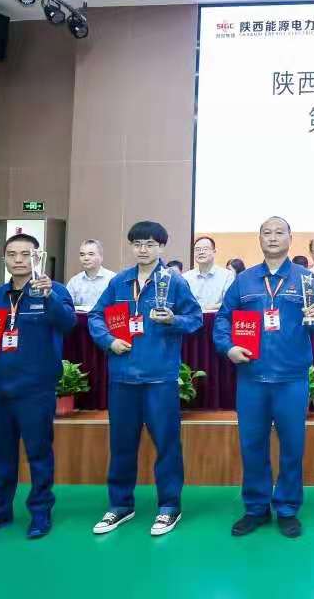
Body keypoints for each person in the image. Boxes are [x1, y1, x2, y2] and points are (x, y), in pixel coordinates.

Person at [213, 217, 314, 539]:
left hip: (292, 378)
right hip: (252, 377)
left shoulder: (306, 279)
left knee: (292, 446)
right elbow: (223, 319)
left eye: (280, 232)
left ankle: (288, 508)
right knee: (252, 445)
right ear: (259, 239)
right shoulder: (244, 281)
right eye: (267, 233)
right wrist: (228, 347)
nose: (273, 237)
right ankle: (256, 508)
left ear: (290, 238)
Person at [88, 221, 203, 537]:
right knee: (121, 445)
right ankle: (120, 505)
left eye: (150, 244)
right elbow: (96, 316)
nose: (143, 249)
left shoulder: (174, 282)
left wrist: (173, 319)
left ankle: (169, 506)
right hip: (123, 377)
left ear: (162, 247)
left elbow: (195, 319)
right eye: (138, 243)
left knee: (167, 445)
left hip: (159, 378)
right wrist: (109, 340)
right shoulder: (119, 282)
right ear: (131, 246)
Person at [0, 233, 76, 542]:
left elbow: (68, 324)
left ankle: (40, 511)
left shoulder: (53, 291)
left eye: (26, 254)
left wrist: (49, 298)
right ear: (5, 259)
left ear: (37, 258)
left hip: (36, 388)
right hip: (1, 387)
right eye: (12, 254)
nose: (19, 259)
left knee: (38, 452)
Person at [182, 235, 234, 309]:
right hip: (192, 316)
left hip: (217, 316)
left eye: (205, 249)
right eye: (197, 249)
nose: (201, 252)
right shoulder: (186, 277)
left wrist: (208, 308)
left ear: (214, 252)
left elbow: (229, 303)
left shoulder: (227, 276)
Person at [67, 239, 116, 309]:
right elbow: (67, 308)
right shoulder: (74, 282)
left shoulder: (113, 279)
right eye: (82, 255)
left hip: (105, 316)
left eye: (91, 254)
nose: (86, 258)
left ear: (101, 257)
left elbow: (120, 307)